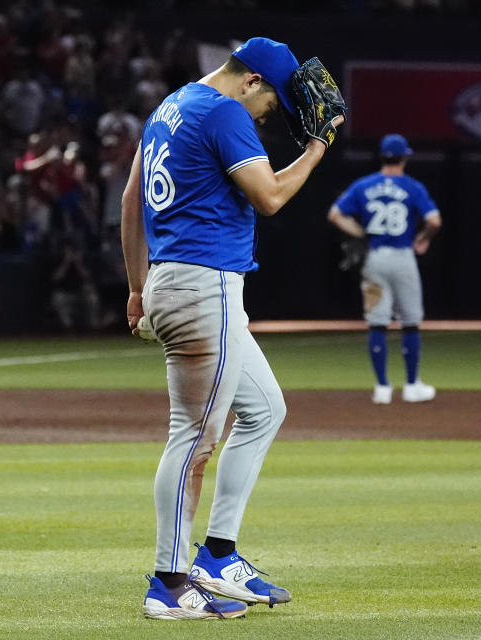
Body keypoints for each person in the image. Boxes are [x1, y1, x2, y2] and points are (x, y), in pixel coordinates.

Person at [121, 37, 343, 620]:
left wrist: (137, 286)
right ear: (251, 81)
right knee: (193, 437)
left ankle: (218, 554)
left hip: (176, 280)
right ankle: (168, 584)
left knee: (265, 408)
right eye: (271, 104)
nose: (269, 116)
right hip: (204, 286)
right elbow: (269, 197)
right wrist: (318, 146)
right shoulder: (224, 111)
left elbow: (129, 200)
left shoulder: (170, 106)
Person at [327, 133, 442, 405]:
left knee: (377, 321)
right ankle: (412, 385)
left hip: (373, 259)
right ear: (404, 157)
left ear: (382, 156)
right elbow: (434, 220)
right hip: (402, 257)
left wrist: (359, 233)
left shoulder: (364, 185)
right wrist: (423, 238)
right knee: (410, 322)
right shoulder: (413, 187)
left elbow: (335, 214)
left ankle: (382, 388)